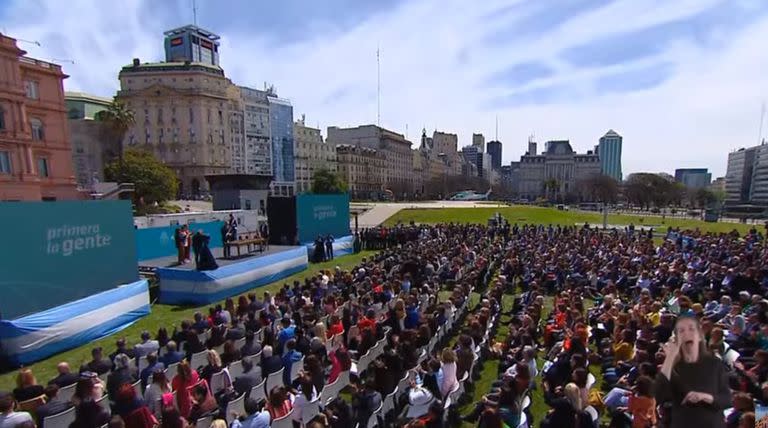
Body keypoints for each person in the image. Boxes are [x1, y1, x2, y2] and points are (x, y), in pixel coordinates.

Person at [655, 314, 731, 428]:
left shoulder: (714, 363)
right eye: (681, 331)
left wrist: (705, 397)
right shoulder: (675, 365)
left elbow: (726, 400)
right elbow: (658, 395)